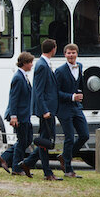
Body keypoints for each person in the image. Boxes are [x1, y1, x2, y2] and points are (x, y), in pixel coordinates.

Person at [0, 51, 38, 177]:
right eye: (30, 62)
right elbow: (13, 98)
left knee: (27, 140)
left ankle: (5, 157)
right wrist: (13, 116)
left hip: (25, 115)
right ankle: (16, 167)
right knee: (22, 141)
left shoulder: (24, 76)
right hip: (19, 116)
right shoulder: (18, 77)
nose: (32, 65)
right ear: (25, 63)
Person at [54, 43, 89, 178]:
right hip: (64, 109)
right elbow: (56, 92)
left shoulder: (79, 66)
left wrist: (80, 94)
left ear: (77, 54)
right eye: (68, 53)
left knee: (84, 135)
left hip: (76, 108)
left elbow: (79, 84)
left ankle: (64, 156)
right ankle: (68, 169)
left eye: (73, 53)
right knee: (69, 137)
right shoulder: (60, 71)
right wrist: (72, 97)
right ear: (65, 55)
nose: (71, 55)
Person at [31, 38, 61, 181]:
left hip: (49, 108)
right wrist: (44, 110)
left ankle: (27, 163)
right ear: (53, 49)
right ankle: (47, 172)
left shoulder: (45, 63)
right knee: (45, 141)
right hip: (46, 110)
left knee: (46, 140)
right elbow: (38, 90)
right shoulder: (42, 65)